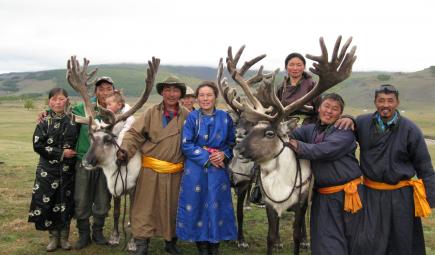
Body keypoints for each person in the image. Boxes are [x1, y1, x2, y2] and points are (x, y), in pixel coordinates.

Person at [354, 84, 435, 255]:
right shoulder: (361, 123)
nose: (386, 105)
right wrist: (346, 117)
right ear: (375, 102)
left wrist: (431, 198)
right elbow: (342, 138)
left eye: (390, 101)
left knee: (401, 241)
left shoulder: (411, 129)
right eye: (381, 100)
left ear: (397, 103)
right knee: (367, 239)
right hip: (370, 193)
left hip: (402, 196)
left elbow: (424, 166)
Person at [119, 75, 189, 255]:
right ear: (162, 92)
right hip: (150, 171)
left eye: (175, 90)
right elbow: (133, 134)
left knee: (172, 209)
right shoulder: (150, 112)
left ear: (181, 93)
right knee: (144, 209)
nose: (171, 94)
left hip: (175, 173)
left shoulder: (188, 116)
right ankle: (142, 244)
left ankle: (171, 241)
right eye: (167, 90)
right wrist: (124, 150)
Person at [288, 93, 363, 255]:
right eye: (326, 106)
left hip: (348, 195)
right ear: (319, 108)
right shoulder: (311, 130)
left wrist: (298, 146)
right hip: (323, 196)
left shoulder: (344, 130)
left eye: (335, 109)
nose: (329, 111)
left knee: (351, 238)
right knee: (323, 239)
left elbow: (324, 151)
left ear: (340, 114)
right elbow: (289, 135)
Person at [176, 81, 237, 255]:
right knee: (198, 205)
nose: (205, 99)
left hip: (218, 172)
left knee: (216, 205)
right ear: (197, 98)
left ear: (215, 97)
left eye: (209, 95)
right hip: (196, 171)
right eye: (201, 95)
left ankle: (215, 246)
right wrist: (209, 157)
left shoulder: (225, 118)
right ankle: (202, 246)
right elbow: (186, 145)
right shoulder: (192, 118)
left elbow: (231, 143)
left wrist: (224, 155)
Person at [28, 88, 78, 251]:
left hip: (67, 171)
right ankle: (53, 238)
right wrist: (62, 153)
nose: (58, 102)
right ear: (49, 101)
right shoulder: (44, 121)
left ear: (67, 101)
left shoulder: (74, 120)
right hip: (47, 172)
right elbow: (38, 145)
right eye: (54, 99)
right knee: (48, 203)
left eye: (61, 99)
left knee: (65, 204)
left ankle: (64, 239)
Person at [73, 76, 114, 249]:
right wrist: (45, 115)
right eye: (101, 89)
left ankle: (98, 231)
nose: (104, 92)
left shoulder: (116, 110)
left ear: (113, 91)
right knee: (81, 199)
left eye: (108, 89)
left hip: (105, 164)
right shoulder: (82, 107)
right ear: (95, 91)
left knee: (103, 200)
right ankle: (83, 234)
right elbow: (66, 118)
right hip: (85, 160)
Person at [277, 52, 319, 124]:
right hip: (284, 127)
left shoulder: (312, 85)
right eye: (291, 65)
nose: (295, 68)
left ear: (304, 67)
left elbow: (321, 107)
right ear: (286, 67)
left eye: (299, 65)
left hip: (306, 127)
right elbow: (275, 109)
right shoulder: (281, 87)